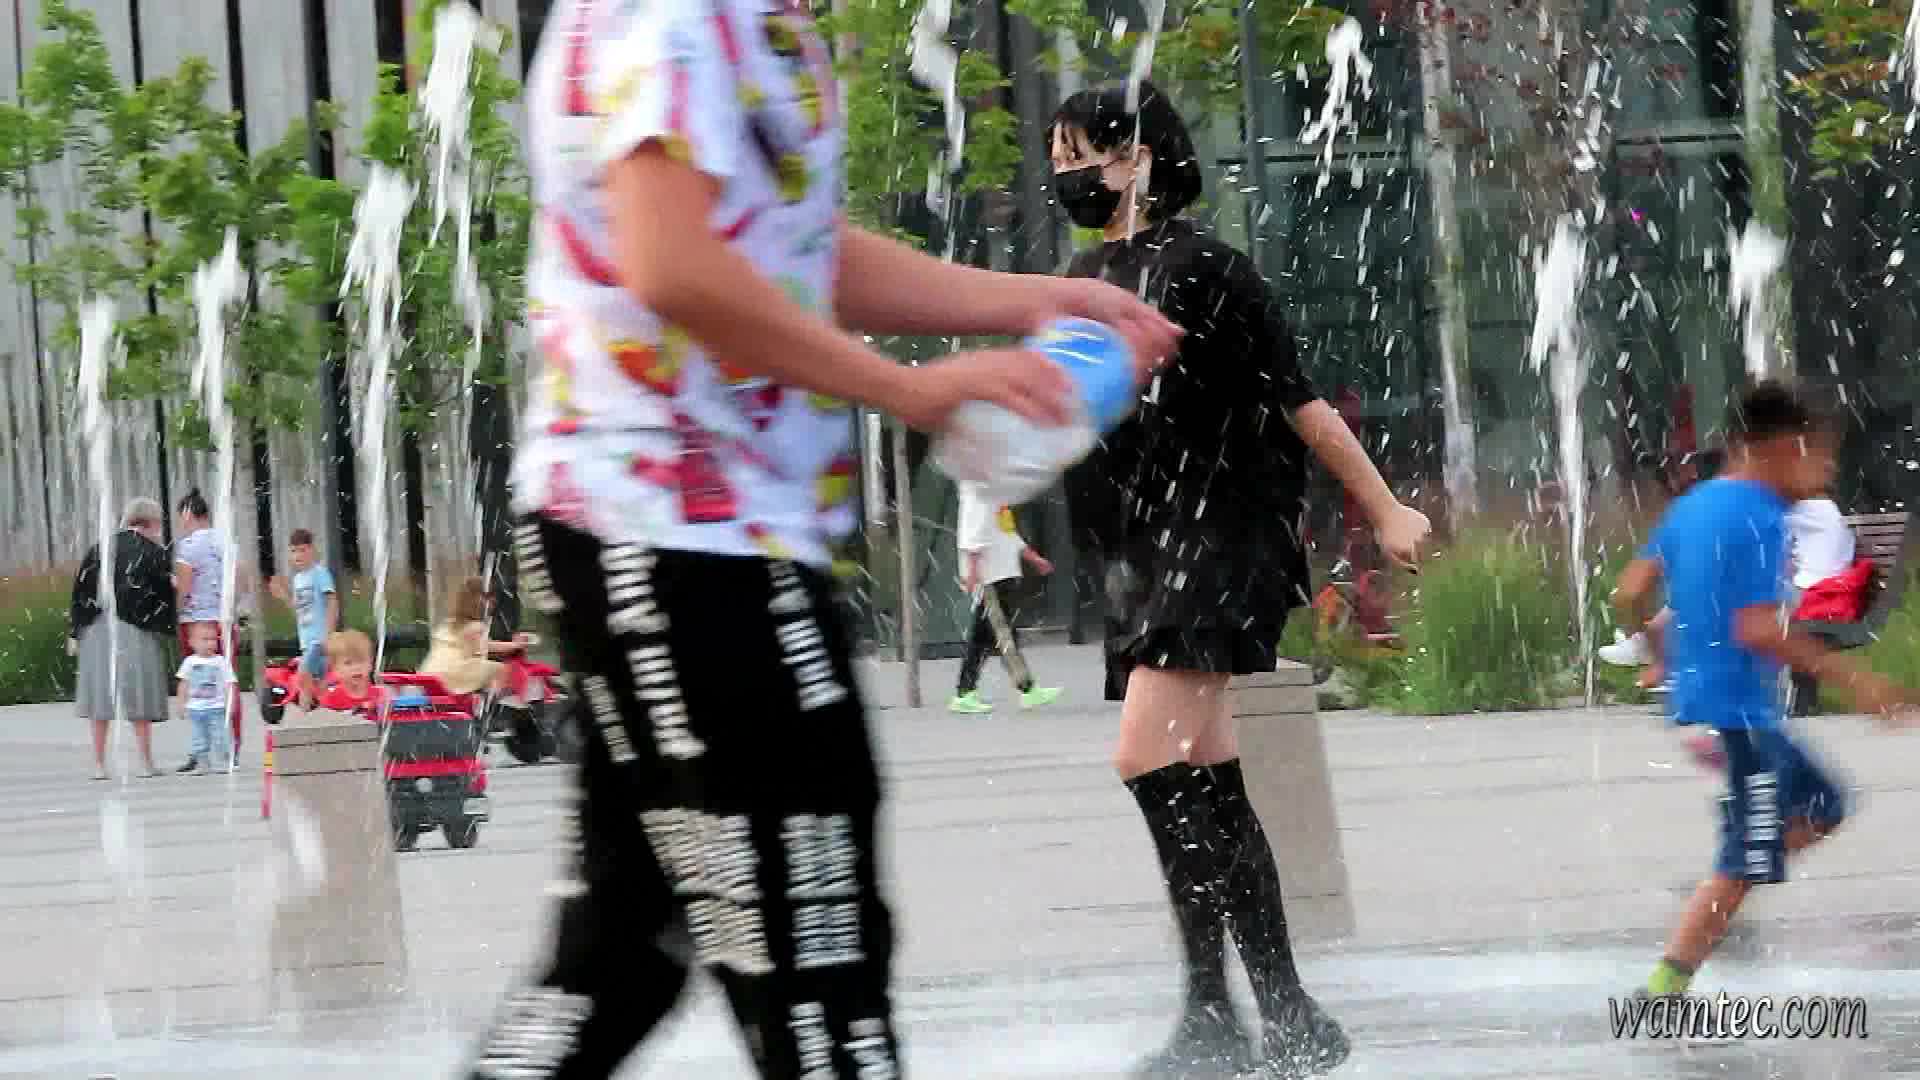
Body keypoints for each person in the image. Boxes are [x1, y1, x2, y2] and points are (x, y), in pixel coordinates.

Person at [464, 5, 1181, 1079]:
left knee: (620, 957)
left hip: (674, 530)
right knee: (815, 949)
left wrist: (1041, 300)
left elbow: (787, 249)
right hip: (681, 539)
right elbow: (672, 264)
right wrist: (908, 390)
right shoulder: (681, 14)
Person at [1049, 81, 1430, 1079]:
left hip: (1216, 541)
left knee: (1148, 759)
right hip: (1143, 555)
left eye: (1079, 154)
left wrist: (1385, 507)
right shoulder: (1089, 274)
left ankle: (1223, 1015)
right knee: (1209, 781)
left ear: (1138, 158)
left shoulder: (1207, 268)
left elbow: (1300, 402)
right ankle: (1279, 1016)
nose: (1065, 175)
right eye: (1057, 158)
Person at [1610, 381, 1916, 1006]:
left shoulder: (1694, 504)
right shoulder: (1758, 516)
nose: (1827, 472)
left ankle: (1742, 852)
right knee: (1744, 860)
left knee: (1825, 803)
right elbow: (1758, 629)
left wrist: (1656, 648)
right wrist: (1857, 680)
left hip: (1713, 708)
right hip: (1735, 713)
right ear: (1784, 447)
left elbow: (1628, 590)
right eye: (1821, 456)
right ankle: (1666, 983)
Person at [70, 497, 178, 779]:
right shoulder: (153, 552)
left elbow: (81, 590)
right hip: (136, 630)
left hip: (97, 628)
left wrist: (76, 630)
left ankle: (98, 764)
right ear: (152, 523)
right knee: (138, 697)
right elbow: (163, 594)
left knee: (101, 699)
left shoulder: (100, 548)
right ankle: (145, 763)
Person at [948, 489, 1062, 714]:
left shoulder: (993, 496)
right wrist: (973, 574)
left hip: (1001, 576)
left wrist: (1034, 558)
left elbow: (1008, 535)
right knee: (1002, 635)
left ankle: (966, 692)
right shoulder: (978, 495)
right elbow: (971, 537)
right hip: (991, 578)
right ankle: (1025, 689)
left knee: (986, 637)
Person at [172, 488, 244, 769]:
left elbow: (185, 586)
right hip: (224, 621)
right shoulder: (227, 541)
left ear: (188, 514)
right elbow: (241, 580)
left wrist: (177, 608)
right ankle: (232, 747)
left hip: (196, 621)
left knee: (198, 684)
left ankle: (199, 749)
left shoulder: (188, 546)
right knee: (227, 681)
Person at [421, 575, 531, 696]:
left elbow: (479, 647)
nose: (494, 601)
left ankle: (483, 699)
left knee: (483, 669)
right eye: (488, 597)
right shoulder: (475, 627)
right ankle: (491, 703)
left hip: (430, 672)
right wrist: (515, 645)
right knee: (500, 669)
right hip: (452, 673)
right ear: (478, 601)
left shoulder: (450, 623)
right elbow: (488, 646)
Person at [268, 529, 338, 709]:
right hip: (306, 641)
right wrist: (284, 596)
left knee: (303, 675)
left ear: (311, 550)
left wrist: (329, 635)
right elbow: (299, 611)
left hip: (319, 639)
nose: (298, 555)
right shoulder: (298, 579)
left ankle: (306, 710)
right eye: (293, 551)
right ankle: (322, 706)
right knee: (317, 681)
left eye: (302, 550)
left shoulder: (320, 573)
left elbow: (332, 602)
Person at [174, 622, 238, 774]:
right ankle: (203, 764)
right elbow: (183, 684)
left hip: (217, 708)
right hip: (195, 709)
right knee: (198, 738)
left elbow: (230, 683)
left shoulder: (221, 662)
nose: (210, 643)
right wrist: (181, 704)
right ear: (192, 642)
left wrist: (231, 703)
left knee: (220, 737)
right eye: (205, 639)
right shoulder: (190, 662)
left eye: (213, 639)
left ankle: (223, 762)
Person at [315, 630, 385, 713]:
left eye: (361, 661)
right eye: (348, 663)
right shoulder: (331, 699)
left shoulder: (380, 696)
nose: (356, 667)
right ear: (336, 670)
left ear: (370, 665)